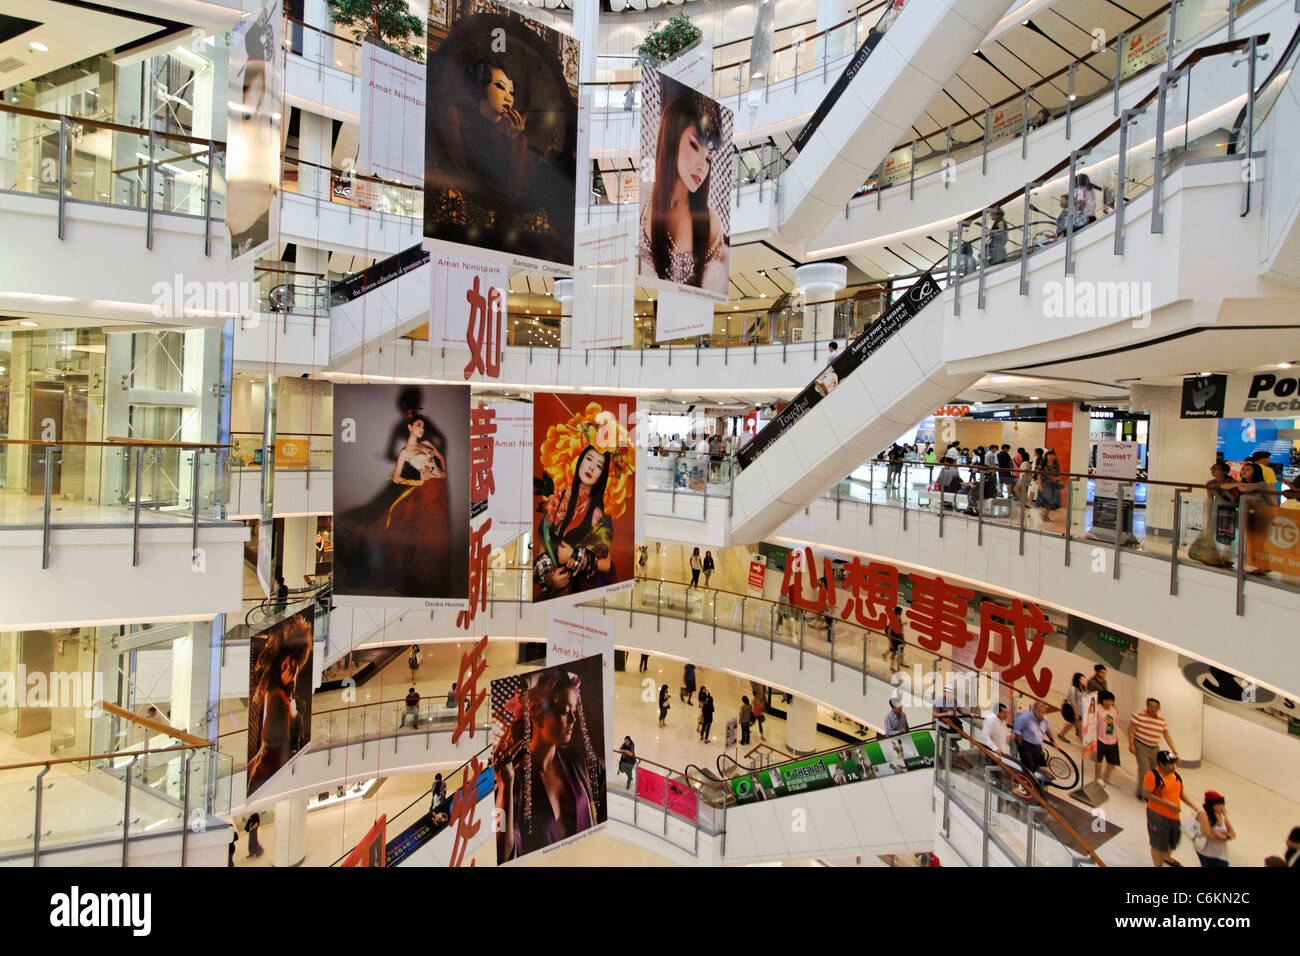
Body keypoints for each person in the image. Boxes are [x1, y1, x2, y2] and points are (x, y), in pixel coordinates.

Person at [494, 669, 603, 861]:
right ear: (536, 715)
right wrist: (505, 786)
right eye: (563, 711)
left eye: (574, 711)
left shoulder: (582, 764)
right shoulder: (513, 780)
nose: (573, 720)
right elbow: (502, 852)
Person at [639, 85, 729, 294]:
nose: (701, 165)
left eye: (708, 158)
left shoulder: (710, 223)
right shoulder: (644, 199)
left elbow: (712, 288)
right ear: (672, 137)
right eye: (694, 145)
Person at [535, 445, 618, 598]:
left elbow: (606, 564)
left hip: (585, 594)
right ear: (580, 461)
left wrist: (574, 557)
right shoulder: (559, 499)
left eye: (599, 466)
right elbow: (542, 547)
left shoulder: (600, 515)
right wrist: (550, 576)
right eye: (589, 459)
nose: (591, 467)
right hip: (554, 594)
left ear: (601, 474)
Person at [246, 614, 312, 796]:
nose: (290, 669)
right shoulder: (277, 698)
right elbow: (270, 747)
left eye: (292, 665)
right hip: (268, 773)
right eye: (284, 667)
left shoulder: (292, 699)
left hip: (274, 770)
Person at [1143, 751, 1196, 867]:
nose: (1173, 767)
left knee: (1173, 840)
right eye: (1170, 764)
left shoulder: (1176, 776)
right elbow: (1147, 794)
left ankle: (1167, 858)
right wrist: (1168, 804)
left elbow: (1180, 793)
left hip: (1173, 816)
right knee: (1158, 843)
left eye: (1174, 764)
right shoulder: (1152, 776)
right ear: (1161, 764)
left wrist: (1193, 806)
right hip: (1157, 815)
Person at [1129, 698, 1178, 800]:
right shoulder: (1138, 716)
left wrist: (1174, 750)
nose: (1153, 709)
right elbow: (1131, 730)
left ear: (1158, 708)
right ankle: (1141, 792)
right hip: (1141, 745)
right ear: (1147, 706)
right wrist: (1131, 744)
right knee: (1144, 770)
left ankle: (1149, 791)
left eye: (1155, 707)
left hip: (1154, 748)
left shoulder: (1161, 721)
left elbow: (1167, 736)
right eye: (1151, 706)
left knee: (1153, 771)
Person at [1012, 701, 1056, 787]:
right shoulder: (1024, 718)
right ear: (1034, 709)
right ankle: (1027, 786)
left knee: (1036, 766)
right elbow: (1017, 731)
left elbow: (1047, 729)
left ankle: (1034, 784)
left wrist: (1053, 741)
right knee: (1029, 767)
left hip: (1037, 746)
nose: (1040, 714)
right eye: (1038, 711)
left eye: (1043, 712)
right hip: (1026, 745)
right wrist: (1021, 746)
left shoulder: (1044, 719)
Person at [1195, 791, 1235, 867]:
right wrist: (1223, 838)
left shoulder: (1222, 815)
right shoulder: (1203, 813)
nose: (1221, 806)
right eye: (1218, 803)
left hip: (1220, 853)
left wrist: (1224, 837)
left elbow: (1233, 833)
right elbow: (1207, 833)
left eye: (1222, 803)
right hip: (1206, 852)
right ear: (1211, 804)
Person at [1094, 691, 1121, 785]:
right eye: (1106, 700)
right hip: (1100, 738)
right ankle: (1099, 777)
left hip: (1112, 740)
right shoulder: (1097, 709)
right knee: (1099, 760)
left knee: (1112, 762)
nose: (1108, 702)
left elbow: (1115, 723)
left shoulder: (1114, 710)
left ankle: (1106, 777)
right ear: (1102, 700)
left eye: (1111, 700)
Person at [1034, 449, 1064, 523]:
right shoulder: (1042, 465)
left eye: (1053, 455)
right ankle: (1044, 515)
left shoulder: (1056, 465)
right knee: (1048, 499)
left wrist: (1057, 479)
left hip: (1053, 485)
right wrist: (1040, 484)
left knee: (1053, 501)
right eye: (1050, 455)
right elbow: (1039, 475)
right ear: (1047, 456)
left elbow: (1058, 475)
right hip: (1045, 483)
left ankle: (1045, 515)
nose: (1052, 456)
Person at [1058, 672, 1086, 743]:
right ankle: (1085, 744)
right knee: (1080, 729)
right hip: (1073, 710)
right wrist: (1076, 713)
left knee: (1072, 724)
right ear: (1078, 680)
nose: (1085, 681)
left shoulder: (1082, 688)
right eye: (1083, 679)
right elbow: (1072, 701)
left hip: (1079, 711)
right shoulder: (1073, 689)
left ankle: (1061, 734)